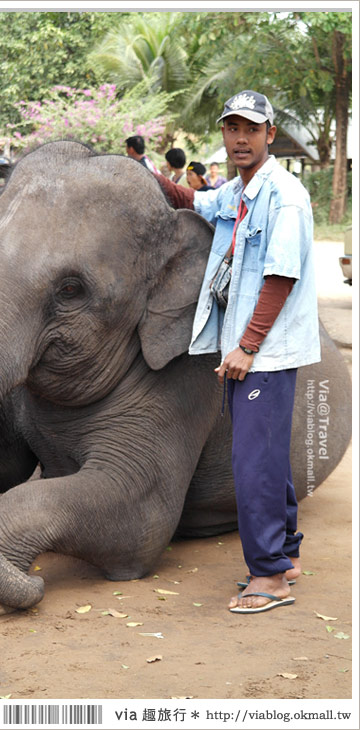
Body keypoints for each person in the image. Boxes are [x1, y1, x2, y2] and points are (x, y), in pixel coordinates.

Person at [155, 90, 320, 614]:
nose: (240, 138)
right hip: (246, 349)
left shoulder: (285, 196)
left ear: (270, 134)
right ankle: (286, 555)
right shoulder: (238, 190)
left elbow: (280, 276)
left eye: (251, 129)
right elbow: (194, 203)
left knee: (252, 463)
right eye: (232, 128)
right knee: (268, 457)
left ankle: (270, 578)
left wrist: (247, 346)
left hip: (265, 353)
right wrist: (136, 175)